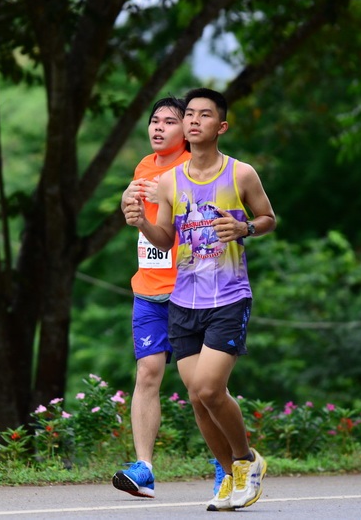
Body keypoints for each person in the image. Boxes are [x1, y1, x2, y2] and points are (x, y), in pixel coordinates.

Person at [122, 87, 276, 511]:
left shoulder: (241, 173)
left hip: (228, 295)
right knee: (196, 396)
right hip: (183, 300)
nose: (193, 120)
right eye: (188, 114)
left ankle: (246, 461)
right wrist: (140, 222)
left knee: (209, 388)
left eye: (203, 115)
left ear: (220, 126)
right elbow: (164, 238)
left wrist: (245, 229)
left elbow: (268, 218)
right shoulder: (169, 181)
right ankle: (229, 475)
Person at [112, 97, 225, 499]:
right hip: (148, 289)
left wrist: (165, 196)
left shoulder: (195, 169)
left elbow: (201, 223)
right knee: (147, 373)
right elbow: (144, 224)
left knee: (200, 387)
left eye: (169, 122)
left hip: (188, 290)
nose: (158, 128)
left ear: (187, 131)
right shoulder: (144, 166)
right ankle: (144, 468)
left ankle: (225, 463)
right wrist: (128, 203)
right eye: (154, 121)